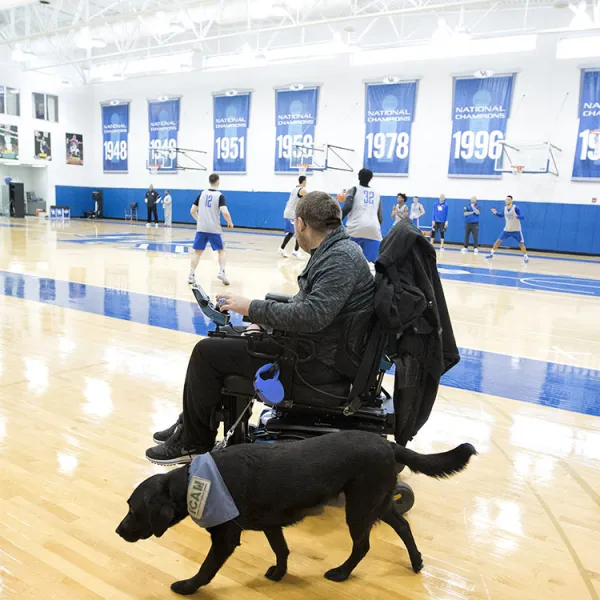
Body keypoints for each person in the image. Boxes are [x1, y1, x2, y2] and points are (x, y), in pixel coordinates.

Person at [146, 191, 375, 464]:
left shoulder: (340, 259)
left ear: (300, 224)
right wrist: (263, 320)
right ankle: (190, 424)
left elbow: (312, 316)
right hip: (314, 348)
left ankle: (194, 442)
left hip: (314, 362)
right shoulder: (336, 250)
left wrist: (251, 308)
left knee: (206, 353)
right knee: (227, 338)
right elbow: (310, 307)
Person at [188, 173, 233, 286]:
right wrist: (229, 222)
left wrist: (199, 220)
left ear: (209, 181)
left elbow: (192, 210)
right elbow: (225, 212)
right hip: (214, 228)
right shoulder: (219, 196)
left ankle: (191, 275)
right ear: (218, 181)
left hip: (201, 228)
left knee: (197, 252)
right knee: (221, 250)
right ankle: (222, 272)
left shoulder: (202, 194)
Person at [342, 168, 382, 264]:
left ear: (358, 177)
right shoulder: (377, 194)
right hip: (373, 230)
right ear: (370, 179)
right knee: (374, 263)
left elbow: (347, 207)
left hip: (355, 228)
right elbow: (380, 217)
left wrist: (337, 220)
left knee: (348, 260)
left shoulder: (353, 189)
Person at [486, 195, 529, 263]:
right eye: (506, 199)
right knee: (498, 241)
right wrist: (496, 213)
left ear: (511, 200)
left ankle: (526, 257)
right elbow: (501, 215)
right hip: (507, 229)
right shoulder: (505, 208)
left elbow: (522, 217)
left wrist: (517, 216)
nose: (507, 201)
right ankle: (491, 254)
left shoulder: (516, 208)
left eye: (508, 199)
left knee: (521, 243)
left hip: (516, 229)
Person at [279, 175, 307, 258]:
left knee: (297, 232)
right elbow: (310, 198)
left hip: (291, 212)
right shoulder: (302, 190)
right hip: (291, 213)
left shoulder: (294, 189)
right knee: (295, 232)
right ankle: (284, 249)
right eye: (306, 181)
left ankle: (294, 250)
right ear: (304, 181)